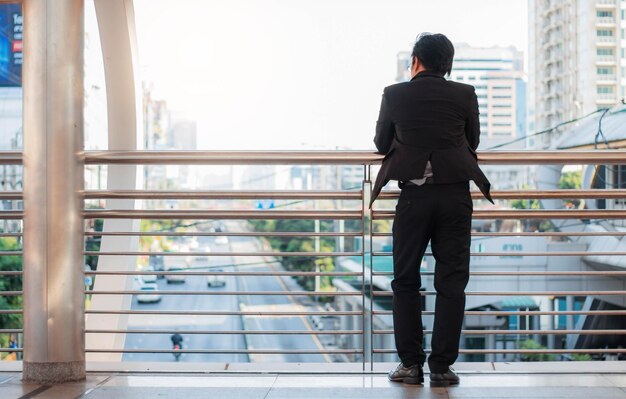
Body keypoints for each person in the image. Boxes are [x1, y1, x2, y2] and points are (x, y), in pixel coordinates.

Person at [371, 32, 493, 387]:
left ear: (415, 61)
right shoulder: (464, 93)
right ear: (447, 65)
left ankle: (411, 365)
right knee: (452, 282)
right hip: (456, 196)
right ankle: (441, 367)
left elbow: (380, 144)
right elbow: (473, 141)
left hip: (414, 198)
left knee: (405, 281)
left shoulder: (395, 94)